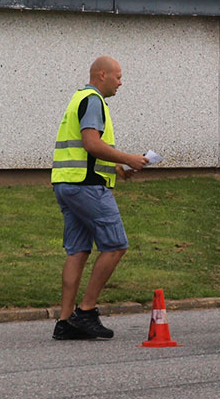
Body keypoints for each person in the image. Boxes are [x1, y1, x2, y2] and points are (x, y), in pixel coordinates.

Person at [50, 56, 148, 340]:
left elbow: (86, 151)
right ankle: (87, 311)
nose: (121, 82)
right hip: (87, 187)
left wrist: (118, 168)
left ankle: (65, 321)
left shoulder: (78, 98)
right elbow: (91, 143)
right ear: (102, 75)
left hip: (66, 184)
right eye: (118, 76)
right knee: (116, 245)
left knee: (77, 251)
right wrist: (129, 157)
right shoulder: (93, 100)